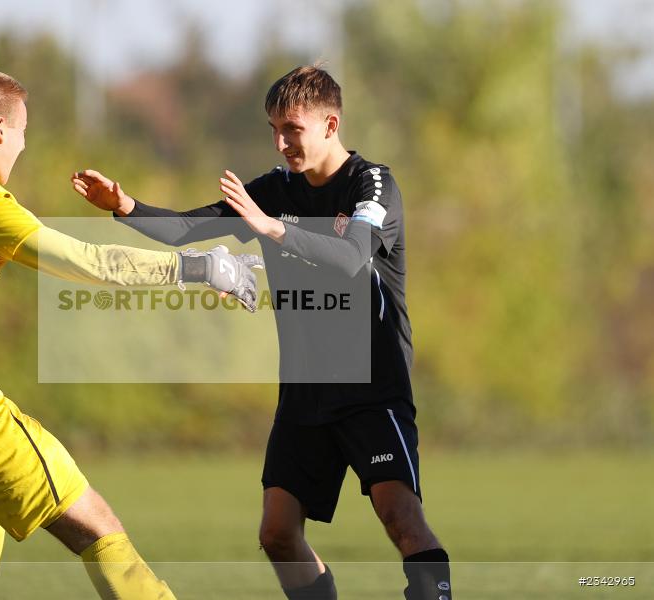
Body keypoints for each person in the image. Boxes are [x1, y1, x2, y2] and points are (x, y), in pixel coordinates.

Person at [0, 67, 262, 600]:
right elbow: (89, 261)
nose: (25, 144)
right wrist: (197, 269)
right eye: (24, 131)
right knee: (97, 523)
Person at [72, 65, 452, 600]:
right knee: (276, 533)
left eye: (291, 129)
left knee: (400, 519)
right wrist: (125, 207)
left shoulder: (372, 183)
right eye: (273, 129)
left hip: (372, 387)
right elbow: (189, 227)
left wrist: (271, 226)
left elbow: (350, 256)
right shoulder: (274, 189)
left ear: (329, 123)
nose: (280, 142)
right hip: (304, 389)